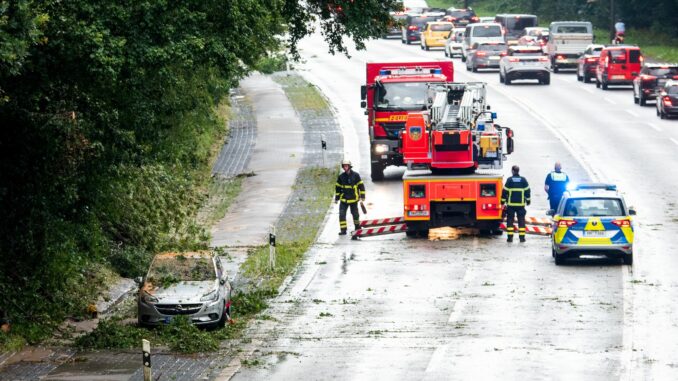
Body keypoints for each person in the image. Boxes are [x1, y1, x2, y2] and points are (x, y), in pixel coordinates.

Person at [335, 158, 365, 235]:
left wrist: (362, 196)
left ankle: (357, 227)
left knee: (355, 214)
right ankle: (343, 230)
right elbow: (338, 188)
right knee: (342, 215)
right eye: (344, 166)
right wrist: (337, 198)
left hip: (354, 200)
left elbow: (361, 186)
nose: (345, 167)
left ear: (349, 166)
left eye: (346, 166)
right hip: (344, 200)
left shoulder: (356, 175)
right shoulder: (341, 177)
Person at [502, 165, 531, 243]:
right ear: (518, 171)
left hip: (511, 205)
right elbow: (528, 191)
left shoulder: (509, 180)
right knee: (521, 221)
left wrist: (502, 202)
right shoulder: (523, 180)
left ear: (512, 171)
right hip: (521, 205)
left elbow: (504, 192)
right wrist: (528, 201)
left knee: (510, 221)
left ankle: (510, 238)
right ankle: (522, 238)